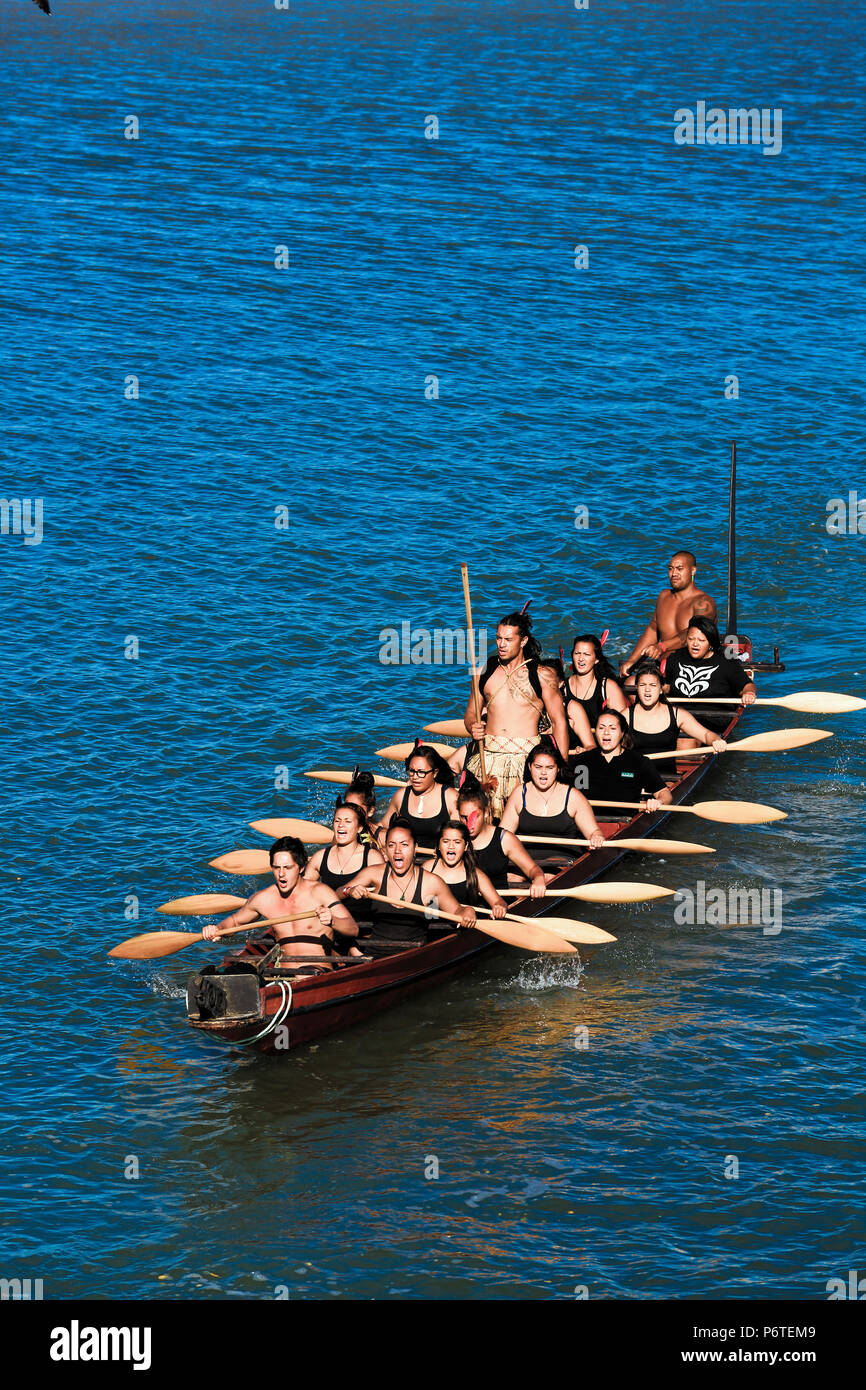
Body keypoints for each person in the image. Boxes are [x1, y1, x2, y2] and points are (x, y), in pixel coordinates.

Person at [463, 610, 569, 818]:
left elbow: (559, 723)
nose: (501, 644)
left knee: (521, 816)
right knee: (484, 817)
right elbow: (470, 715)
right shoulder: (483, 672)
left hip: (525, 758)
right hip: (489, 757)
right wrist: (472, 727)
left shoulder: (542, 675)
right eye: (498, 638)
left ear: (523, 640)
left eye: (508, 639)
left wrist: (562, 767)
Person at [202, 836, 359, 974]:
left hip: (316, 971)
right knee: (234, 972)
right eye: (276, 868)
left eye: (287, 868)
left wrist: (332, 920)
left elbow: (353, 928)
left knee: (305, 974)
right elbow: (235, 922)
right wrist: (218, 929)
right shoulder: (264, 899)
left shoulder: (320, 893)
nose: (281, 874)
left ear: (301, 867)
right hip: (282, 973)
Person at [342, 818, 475, 956]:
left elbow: (457, 910)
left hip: (413, 957)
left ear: (415, 847)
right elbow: (339, 893)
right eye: (392, 845)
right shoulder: (374, 874)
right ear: (385, 850)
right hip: (373, 956)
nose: (397, 851)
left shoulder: (431, 882)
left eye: (404, 845)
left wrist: (468, 911)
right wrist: (349, 890)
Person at [499, 738, 606, 875]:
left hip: (561, 858)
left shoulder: (573, 797)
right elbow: (503, 834)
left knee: (548, 876)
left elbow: (593, 831)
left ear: (558, 769)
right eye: (538, 767)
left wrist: (596, 837)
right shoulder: (519, 793)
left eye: (549, 768)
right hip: (525, 858)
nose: (543, 773)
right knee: (510, 879)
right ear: (529, 767)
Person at [620, 551, 717, 676]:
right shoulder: (663, 597)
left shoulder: (704, 603)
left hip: (693, 669)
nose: (674, 573)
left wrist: (662, 647)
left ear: (693, 571)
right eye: (671, 569)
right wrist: (632, 661)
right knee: (630, 683)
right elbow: (652, 630)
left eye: (679, 569)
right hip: (662, 667)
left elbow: (694, 633)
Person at [663, 616, 757, 730]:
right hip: (679, 717)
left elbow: (747, 686)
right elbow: (667, 687)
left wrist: (749, 694)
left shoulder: (726, 662)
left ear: (710, 643)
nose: (695, 644)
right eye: (691, 639)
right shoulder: (675, 658)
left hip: (713, 719)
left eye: (701, 640)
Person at [571, 710, 672, 813]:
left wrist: (658, 801)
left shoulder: (638, 761)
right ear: (595, 731)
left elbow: (664, 793)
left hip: (625, 822)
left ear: (622, 732)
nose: (606, 732)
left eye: (612, 728)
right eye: (601, 728)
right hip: (584, 823)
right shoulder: (581, 760)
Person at [456, 784, 548, 895]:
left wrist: (538, 878)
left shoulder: (504, 839)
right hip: (464, 906)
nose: (469, 824)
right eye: (464, 817)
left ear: (486, 812)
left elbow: (532, 868)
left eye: (475, 817)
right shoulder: (453, 839)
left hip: (499, 906)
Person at [628, 663, 727, 755]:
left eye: (653, 685)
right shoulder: (625, 716)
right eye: (642, 685)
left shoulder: (678, 715)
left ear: (661, 689)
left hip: (667, 772)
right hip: (635, 773)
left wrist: (716, 740)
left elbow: (706, 734)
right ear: (637, 688)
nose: (647, 690)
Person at [381, 744, 458, 849]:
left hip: (440, 861)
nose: (415, 777)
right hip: (404, 860)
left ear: (435, 773)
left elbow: (458, 837)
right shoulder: (400, 796)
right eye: (412, 771)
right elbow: (383, 827)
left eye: (421, 772)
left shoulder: (451, 797)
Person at [428, 821, 508, 917]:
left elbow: (498, 901)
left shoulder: (476, 875)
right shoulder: (427, 869)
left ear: (465, 846)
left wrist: (499, 906)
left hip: (464, 930)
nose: (451, 846)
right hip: (431, 929)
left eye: (457, 842)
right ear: (439, 846)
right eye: (445, 841)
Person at [562, 634, 627, 749]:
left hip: (602, 749)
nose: (581, 658)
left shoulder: (608, 687)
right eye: (577, 653)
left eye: (586, 654)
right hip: (571, 749)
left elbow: (624, 729)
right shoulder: (563, 688)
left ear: (596, 659)